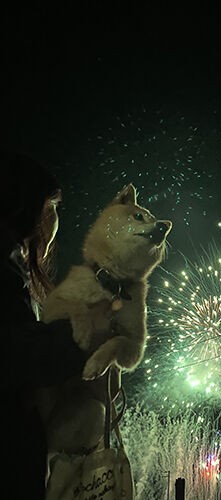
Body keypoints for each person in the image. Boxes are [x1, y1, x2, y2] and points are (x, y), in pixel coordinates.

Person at [0, 148, 87, 499]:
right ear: (27, 206)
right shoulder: (4, 265)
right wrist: (87, 330)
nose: (55, 219)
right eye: (52, 207)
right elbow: (18, 353)